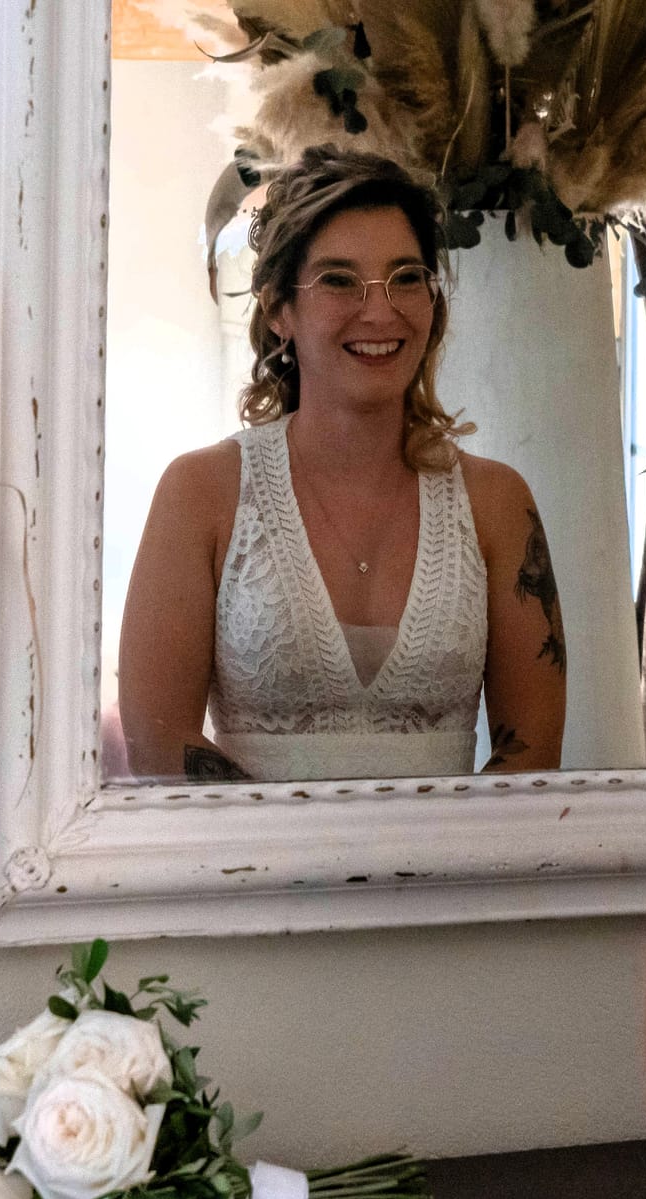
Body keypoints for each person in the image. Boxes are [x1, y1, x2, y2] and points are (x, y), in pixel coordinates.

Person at [117, 147, 567, 782]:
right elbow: (158, 742)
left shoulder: (496, 502)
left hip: (452, 880)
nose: (379, 310)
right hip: (250, 876)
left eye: (407, 277)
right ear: (279, 310)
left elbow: (533, 755)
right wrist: (313, 863)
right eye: (338, 280)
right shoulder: (201, 494)